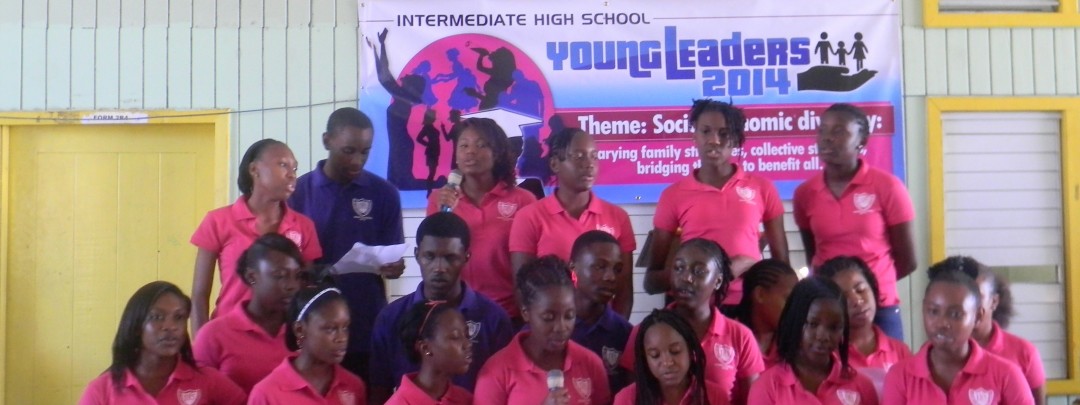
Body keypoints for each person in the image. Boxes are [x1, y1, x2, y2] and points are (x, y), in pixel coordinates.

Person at [289, 107, 407, 381]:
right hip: (313, 324)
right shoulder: (298, 194)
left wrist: (394, 267)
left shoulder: (384, 194)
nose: (357, 160)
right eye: (348, 151)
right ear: (327, 140)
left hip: (365, 322)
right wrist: (319, 271)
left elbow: (392, 255)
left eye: (365, 152)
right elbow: (288, 263)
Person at [646, 99, 789, 311]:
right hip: (693, 309)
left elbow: (783, 271)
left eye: (724, 133)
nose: (714, 140)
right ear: (694, 136)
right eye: (706, 131)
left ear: (736, 139)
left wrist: (751, 264)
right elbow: (651, 282)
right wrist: (712, 272)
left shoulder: (762, 188)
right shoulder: (673, 195)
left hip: (747, 308)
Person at [793, 103, 916, 340]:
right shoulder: (805, 193)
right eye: (822, 130)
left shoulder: (888, 187)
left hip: (878, 307)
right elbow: (813, 254)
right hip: (828, 306)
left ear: (862, 141)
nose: (827, 138)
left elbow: (908, 260)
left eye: (839, 131)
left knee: (887, 364)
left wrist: (868, 287)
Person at [369, 212, 513, 402]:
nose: (439, 267)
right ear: (417, 255)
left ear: (466, 257)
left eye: (450, 258)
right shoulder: (390, 318)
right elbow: (379, 389)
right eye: (429, 256)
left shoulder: (494, 319)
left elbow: (506, 388)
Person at [191, 139, 322, 337]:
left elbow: (306, 291)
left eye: (294, 168)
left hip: (283, 338)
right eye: (283, 165)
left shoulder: (304, 226)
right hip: (229, 335)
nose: (292, 174)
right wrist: (201, 345)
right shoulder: (218, 221)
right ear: (254, 169)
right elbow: (199, 295)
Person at [620, 239, 764, 405]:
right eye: (679, 268)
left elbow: (752, 399)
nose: (686, 278)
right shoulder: (645, 333)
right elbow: (634, 394)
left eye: (699, 271)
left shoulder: (740, 336)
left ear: (718, 281)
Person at [510, 128, 636, 318]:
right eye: (579, 156)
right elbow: (523, 289)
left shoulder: (618, 217)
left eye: (594, 156)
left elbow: (624, 291)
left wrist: (615, 331)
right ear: (555, 164)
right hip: (551, 328)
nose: (589, 164)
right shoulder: (529, 217)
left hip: (602, 328)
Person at [428, 118, 538, 320]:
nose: (470, 151)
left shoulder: (523, 200)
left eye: (480, 145)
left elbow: (530, 267)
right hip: (454, 313)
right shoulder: (439, 199)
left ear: (497, 153)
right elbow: (433, 257)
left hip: (508, 314)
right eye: (464, 146)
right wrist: (445, 213)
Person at [79, 281, 246, 404]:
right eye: (157, 317)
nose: (170, 326)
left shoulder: (207, 380)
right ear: (136, 326)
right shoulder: (102, 390)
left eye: (179, 317)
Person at [474, 256, 611, 405]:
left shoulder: (591, 364)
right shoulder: (497, 372)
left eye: (569, 316)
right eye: (548, 318)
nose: (561, 327)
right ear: (526, 313)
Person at [882, 270, 1033, 405]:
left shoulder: (1006, 375)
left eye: (955, 314)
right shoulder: (900, 376)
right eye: (933, 311)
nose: (942, 323)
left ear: (977, 317)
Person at [194, 233, 306, 392]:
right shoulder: (213, 335)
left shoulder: (305, 332)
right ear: (252, 276)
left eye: (297, 276)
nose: (292, 285)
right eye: (280, 276)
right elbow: (197, 393)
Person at [928, 256, 1045, 405]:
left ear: (994, 301)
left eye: (977, 297)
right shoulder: (936, 352)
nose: (968, 305)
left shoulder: (1024, 353)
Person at [747, 276, 878, 405]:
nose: (823, 336)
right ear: (795, 322)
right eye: (812, 324)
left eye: (834, 327)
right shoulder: (768, 387)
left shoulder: (861, 385)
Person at [248, 285, 367, 404]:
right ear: (300, 330)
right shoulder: (267, 393)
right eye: (330, 329)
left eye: (345, 327)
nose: (342, 338)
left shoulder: (353, 386)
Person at [816, 256, 911, 397]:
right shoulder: (828, 355)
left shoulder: (899, 351)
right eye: (844, 297)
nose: (857, 300)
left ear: (873, 289)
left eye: (860, 290)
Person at [613, 309, 727, 405]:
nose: (667, 362)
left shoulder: (715, 396)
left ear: (690, 351)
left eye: (675, 351)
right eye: (655, 355)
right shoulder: (626, 399)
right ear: (645, 359)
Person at [569, 230, 634, 395]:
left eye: (617, 269)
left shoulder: (625, 333)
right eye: (600, 266)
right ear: (573, 268)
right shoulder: (552, 328)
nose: (611, 277)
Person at [385, 302, 474, 405]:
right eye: (455, 337)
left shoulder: (466, 399)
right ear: (425, 348)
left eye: (467, 335)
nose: (468, 344)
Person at [728, 259, 798, 368]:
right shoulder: (728, 341)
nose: (794, 307)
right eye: (788, 299)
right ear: (760, 294)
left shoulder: (795, 344)